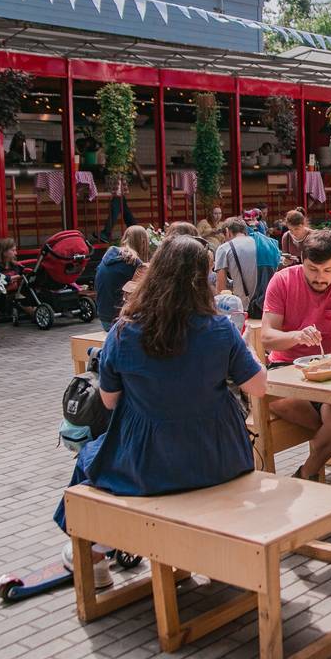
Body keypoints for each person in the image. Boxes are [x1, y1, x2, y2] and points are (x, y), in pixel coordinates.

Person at [53, 236, 266, 587]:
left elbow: (108, 401)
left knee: (92, 460)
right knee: (102, 461)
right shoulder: (220, 328)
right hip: (221, 457)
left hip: (149, 463)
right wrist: (248, 353)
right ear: (202, 280)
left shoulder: (124, 332)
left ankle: (94, 555)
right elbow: (258, 387)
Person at [261, 229, 331, 479]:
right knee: (278, 400)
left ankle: (305, 474)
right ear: (302, 260)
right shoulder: (282, 280)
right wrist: (296, 336)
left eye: (327, 270)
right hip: (287, 367)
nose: (319, 277)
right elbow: (267, 337)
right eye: (312, 269)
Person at [94, 225, 150, 332]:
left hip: (104, 318)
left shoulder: (108, 257)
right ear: (143, 242)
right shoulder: (133, 262)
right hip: (119, 321)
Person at [97, 159, 149, 243]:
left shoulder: (126, 154)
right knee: (123, 208)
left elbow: (134, 162)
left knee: (116, 205)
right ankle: (137, 234)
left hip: (121, 181)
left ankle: (106, 233)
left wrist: (142, 180)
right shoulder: (112, 155)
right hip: (115, 181)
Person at [214, 217, 259, 311]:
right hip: (265, 303)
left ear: (227, 231)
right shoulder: (259, 243)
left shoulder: (224, 248)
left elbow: (221, 287)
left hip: (241, 307)